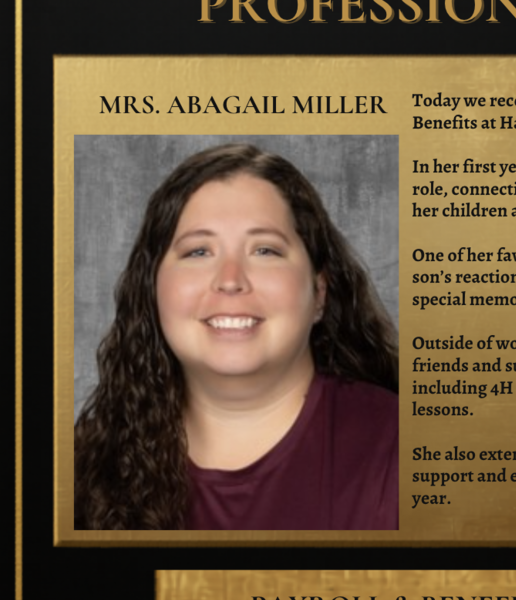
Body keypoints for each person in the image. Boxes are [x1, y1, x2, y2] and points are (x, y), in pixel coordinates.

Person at [74, 143, 399, 530]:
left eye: (264, 250)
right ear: (151, 290)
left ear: (320, 293)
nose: (230, 280)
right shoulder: (79, 469)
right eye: (198, 252)